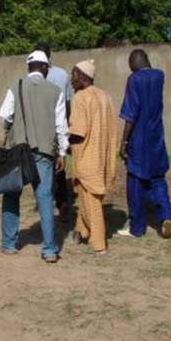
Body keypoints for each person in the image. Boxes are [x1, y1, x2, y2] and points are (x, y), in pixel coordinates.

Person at [0, 50, 69, 263]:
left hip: (18, 151)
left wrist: (14, 126)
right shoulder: (56, 91)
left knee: (11, 194)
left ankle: (9, 244)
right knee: (45, 198)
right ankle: (49, 250)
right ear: (45, 68)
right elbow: (61, 126)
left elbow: (3, 117)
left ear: (29, 67)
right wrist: (62, 153)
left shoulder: (15, 85)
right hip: (44, 153)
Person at [118, 49, 171, 238]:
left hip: (139, 139)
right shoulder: (159, 76)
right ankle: (165, 216)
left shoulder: (134, 80)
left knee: (136, 182)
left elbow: (130, 114)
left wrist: (124, 141)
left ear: (134, 63)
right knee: (158, 179)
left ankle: (137, 227)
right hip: (156, 137)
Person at [68, 59, 117, 256]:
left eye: (73, 76)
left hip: (87, 157)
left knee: (91, 202)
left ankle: (98, 244)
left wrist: (63, 138)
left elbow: (78, 132)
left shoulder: (80, 98)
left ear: (82, 77)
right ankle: (81, 230)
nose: (71, 81)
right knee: (85, 198)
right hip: (102, 157)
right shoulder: (105, 96)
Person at [34, 43, 74, 219]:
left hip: (40, 126)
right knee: (59, 161)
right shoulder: (62, 74)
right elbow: (67, 102)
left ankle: (43, 199)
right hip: (59, 123)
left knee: (40, 160)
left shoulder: (32, 76)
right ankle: (63, 201)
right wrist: (67, 123)